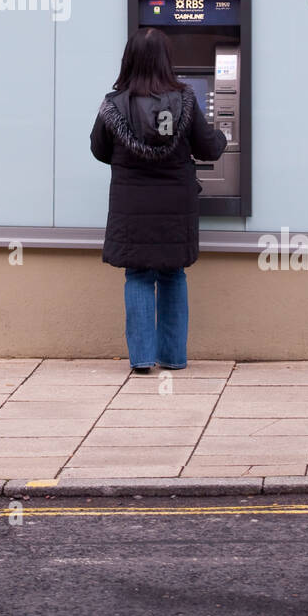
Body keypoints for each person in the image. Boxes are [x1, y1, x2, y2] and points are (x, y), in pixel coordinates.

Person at [90, 27, 228, 374]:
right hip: (174, 205)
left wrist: (131, 160)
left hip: (131, 205)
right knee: (172, 275)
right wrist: (222, 134)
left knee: (137, 275)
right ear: (168, 60)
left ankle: (141, 360)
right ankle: (174, 358)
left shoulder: (113, 104)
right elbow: (209, 147)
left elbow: (99, 149)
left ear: (129, 60)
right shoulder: (185, 100)